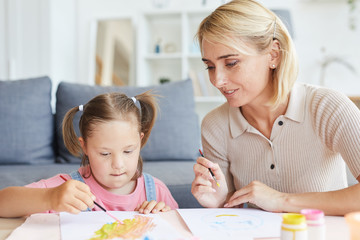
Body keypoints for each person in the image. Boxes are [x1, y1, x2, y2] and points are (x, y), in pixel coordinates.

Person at [191, 0, 360, 216]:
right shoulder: (215, 125)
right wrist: (218, 200)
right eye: (210, 66)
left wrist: (281, 200)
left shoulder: (329, 107)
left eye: (231, 63)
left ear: (273, 54)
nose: (217, 80)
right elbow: (229, 211)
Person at [0, 91, 178, 217]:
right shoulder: (66, 189)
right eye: (105, 153)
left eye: (128, 151)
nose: (118, 164)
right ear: (84, 146)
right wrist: (50, 197)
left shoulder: (156, 191)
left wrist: (164, 216)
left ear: (140, 141)